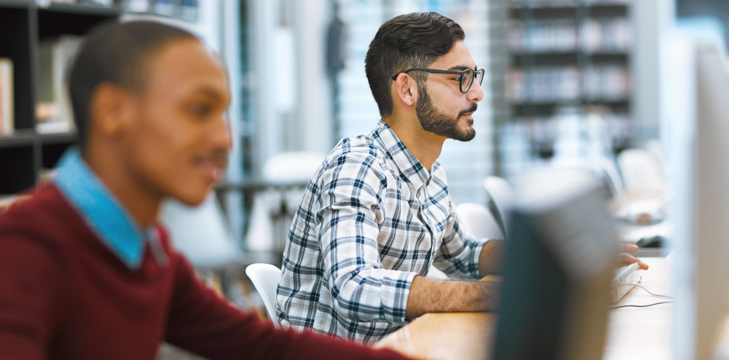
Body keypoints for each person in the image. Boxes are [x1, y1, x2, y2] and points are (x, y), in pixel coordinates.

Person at [0, 20, 414, 360]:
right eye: (199, 109)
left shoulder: (147, 248)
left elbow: (258, 346)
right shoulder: (23, 249)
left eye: (223, 114)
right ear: (113, 112)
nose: (224, 139)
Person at [276, 12, 648, 344]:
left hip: (401, 345)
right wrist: (498, 298)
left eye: (475, 77)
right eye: (461, 79)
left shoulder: (430, 172)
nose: (479, 94)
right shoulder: (357, 167)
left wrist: (563, 258)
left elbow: (465, 255)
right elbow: (355, 287)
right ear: (407, 88)